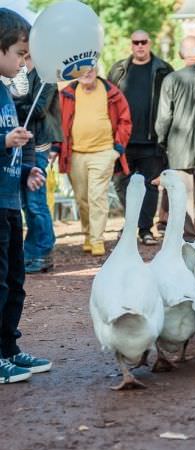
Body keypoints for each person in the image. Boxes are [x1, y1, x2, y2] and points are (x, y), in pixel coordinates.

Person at [0, 8, 52, 383]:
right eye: (19, 53)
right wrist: (4, 140)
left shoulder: (5, 93)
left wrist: (26, 169)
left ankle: (8, 349)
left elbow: (13, 148)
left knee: (15, 280)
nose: (23, 62)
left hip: (8, 201)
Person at [54, 67, 132, 256]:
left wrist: (117, 148)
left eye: (90, 68)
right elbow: (58, 122)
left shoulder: (111, 92)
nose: (86, 73)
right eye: (81, 70)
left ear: (96, 69)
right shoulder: (67, 94)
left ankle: (97, 239)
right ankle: (89, 234)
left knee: (97, 196)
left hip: (104, 152)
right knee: (82, 198)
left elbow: (124, 119)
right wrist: (56, 148)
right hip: (75, 154)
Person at [108, 30, 173, 245]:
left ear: (150, 43)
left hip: (152, 138)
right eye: (136, 42)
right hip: (123, 140)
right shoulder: (118, 70)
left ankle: (145, 229)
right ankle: (132, 223)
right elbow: (108, 103)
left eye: (143, 42)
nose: (140, 46)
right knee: (120, 183)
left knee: (150, 186)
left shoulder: (163, 70)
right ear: (131, 45)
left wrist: (166, 137)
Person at [14, 53, 62, 273]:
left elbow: (39, 109)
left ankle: (43, 251)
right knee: (26, 203)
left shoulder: (46, 76)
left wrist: (13, 103)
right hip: (22, 145)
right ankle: (33, 251)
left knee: (35, 202)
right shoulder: (19, 75)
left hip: (40, 144)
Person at [155, 36, 195, 242]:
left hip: (179, 146)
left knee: (186, 198)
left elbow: (164, 117)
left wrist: (161, 140)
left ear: (181, 54)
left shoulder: (172, 79)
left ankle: (192, 239)